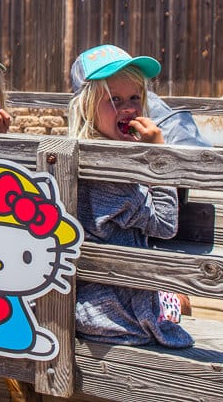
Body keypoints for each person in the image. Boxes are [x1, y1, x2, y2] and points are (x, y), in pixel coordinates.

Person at [68, 44, 194, 348]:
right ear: (86, 107)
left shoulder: (78, 156)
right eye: (114, 99)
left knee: (179, 297)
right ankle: (175, 301)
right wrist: (159, 158)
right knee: (185, 300)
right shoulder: (112, 172)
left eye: (135, 97)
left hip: (84, 304)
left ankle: (174, 299)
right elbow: (165, 225)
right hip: (121, 316)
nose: (129, 108)